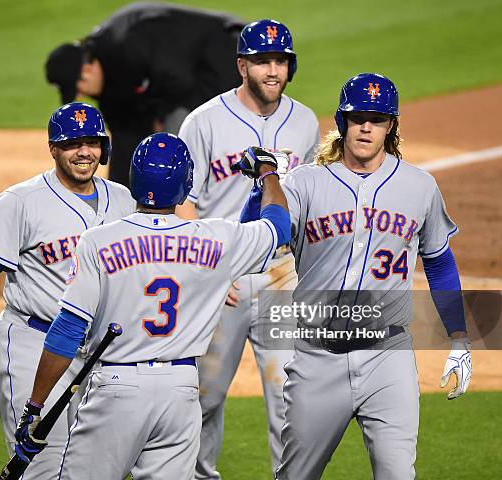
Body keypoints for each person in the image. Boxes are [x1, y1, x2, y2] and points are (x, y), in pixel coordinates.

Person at [12, 134, 291, 479]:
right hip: (181, 390)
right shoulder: (219, 240)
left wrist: (34, 406)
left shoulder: (98, 241)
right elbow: (275, 228)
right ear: (186, 183)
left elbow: (68, 330)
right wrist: (266, 174)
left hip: (115, 387)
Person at [272, 73, 472, 479]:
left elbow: (438, 261)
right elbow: (264, 233)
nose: (366, 126)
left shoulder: (420, 187)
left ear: (391, 125)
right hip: (317, 357)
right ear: (343, 121)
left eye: (377, 118)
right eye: (358, 116)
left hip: (388, 357)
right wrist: (265, 181)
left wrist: (459, 337)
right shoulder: (303, 183)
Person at [0, 102, 135, 478]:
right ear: (53, 148)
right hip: (34, 344)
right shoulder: (21, 201)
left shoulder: (124, 200)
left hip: (99, 351)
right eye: (72, 144)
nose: (84, 152)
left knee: (96, 468)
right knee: (42, 469)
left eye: (92, 142)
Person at [175, 19, 319, 478]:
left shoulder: (306, 122)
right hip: (224, 277)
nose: (272, 70)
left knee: (289, 393)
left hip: (282, 278)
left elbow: (314, 202)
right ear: (242, 66)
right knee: (205, 392)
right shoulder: (204, 122)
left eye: (280, 61)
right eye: (262, 62)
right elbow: (183, 203)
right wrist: (208, 270)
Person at [45, 2, 245, 187]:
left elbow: (179, 80)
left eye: (79, 88)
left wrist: (158, 116)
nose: (81, 96)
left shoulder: (128, 43)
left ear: (87, 70)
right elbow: (125, 137)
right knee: (151, 129)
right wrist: (120, 193)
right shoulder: (107, 83)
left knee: (175, 132)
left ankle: (191, 202)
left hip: (226, 54)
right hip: (189, 77)